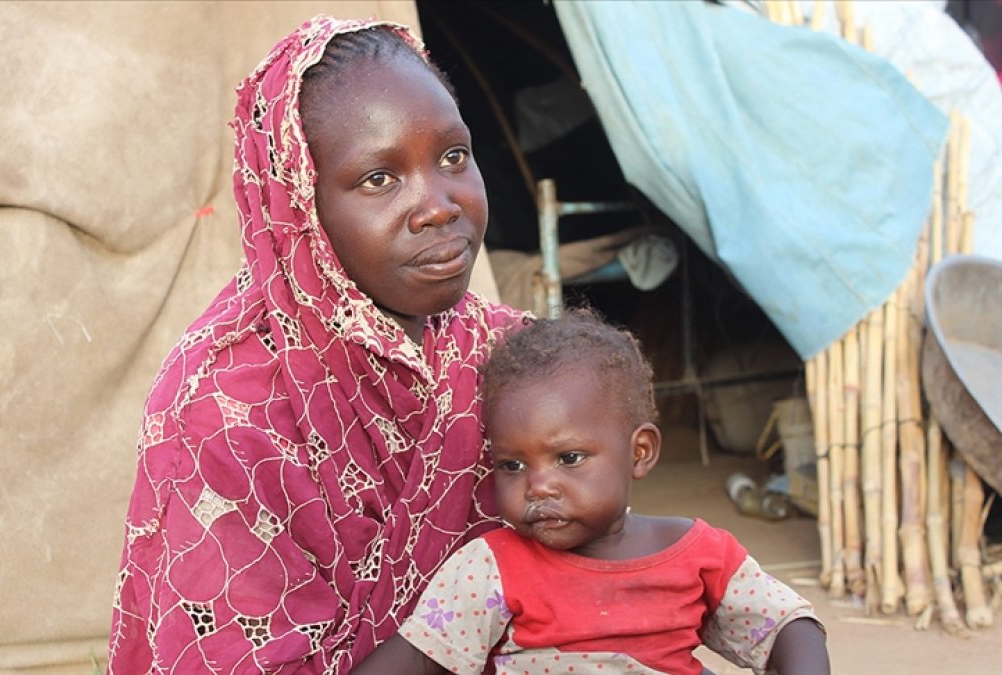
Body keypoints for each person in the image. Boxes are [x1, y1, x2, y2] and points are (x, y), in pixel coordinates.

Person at [107, 15, 526, 674]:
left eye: (453, 156)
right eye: (379, 179)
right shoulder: (224, 409)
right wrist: (456, 626)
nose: (439, 205)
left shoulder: (509, 357)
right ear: (300, 206)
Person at [353, 308, 830, 674]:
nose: (538, 485)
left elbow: (789, 625)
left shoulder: (699, 554)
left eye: (569, 458)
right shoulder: (491, 569)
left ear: (639, 452)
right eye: (512, 464)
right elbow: (418, 660)